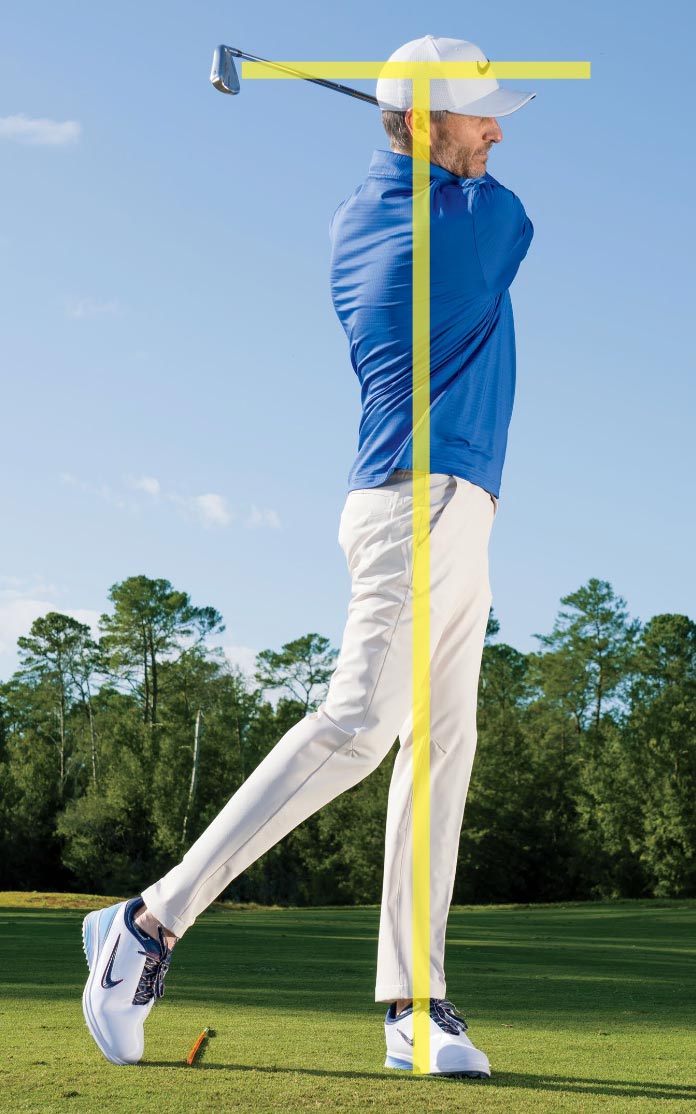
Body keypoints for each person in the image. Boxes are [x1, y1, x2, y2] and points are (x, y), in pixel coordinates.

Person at [81, 34, 535, 1078]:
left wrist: (435, 135)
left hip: (452, 507)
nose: (496, 132)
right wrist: (447, 151)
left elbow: (468, 174)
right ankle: (146, 922)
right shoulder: (467, 228)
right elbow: (514, 218)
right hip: (417, 504)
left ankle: (414, 1004)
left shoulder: (365, 214)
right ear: (422, 123)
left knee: (441, 748)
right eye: (478, 117)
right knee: (362, 723)